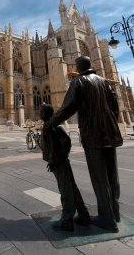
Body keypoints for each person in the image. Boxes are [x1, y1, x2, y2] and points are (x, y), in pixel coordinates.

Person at [49, 56, 123, 233]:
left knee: (99, 178)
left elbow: (68, 107)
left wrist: (51, 122)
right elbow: (115, 107)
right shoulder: (105, 82)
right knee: (113, 175)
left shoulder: (79, 81)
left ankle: (107, 219)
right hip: (110, 134)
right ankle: (115, 212)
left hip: (93, 135)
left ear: (78, 68)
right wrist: (110, 123)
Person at [40, 103, 91, 232]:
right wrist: (60, 157)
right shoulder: (56, 126)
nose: (39, 113)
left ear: (45, 114)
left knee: (65, 190)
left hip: (58, 162)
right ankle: (84, 215)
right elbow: (66, 142)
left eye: (41, 111)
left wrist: (54, 160)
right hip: (62, 161)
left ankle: (67, 221)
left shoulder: (48, 127)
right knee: (72, 188)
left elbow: (55, 145)